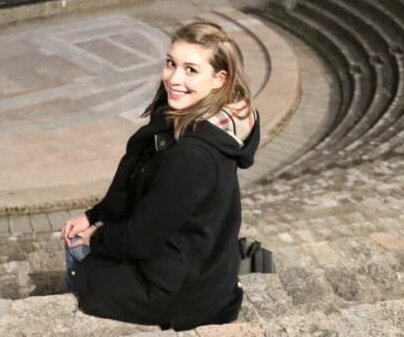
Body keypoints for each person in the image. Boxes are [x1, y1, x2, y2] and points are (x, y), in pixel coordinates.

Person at [61, 21, 259, 331]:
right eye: (171, 63)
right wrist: (94, 215)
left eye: (191, 70)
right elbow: (137, 175)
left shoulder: (193, 157)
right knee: (83, 238)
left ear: (219, 79)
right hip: (194, 263)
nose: (174, 78)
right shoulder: (186, 112)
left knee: (76, 252)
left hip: (180, 289)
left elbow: (140, 238)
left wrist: (94, 236)